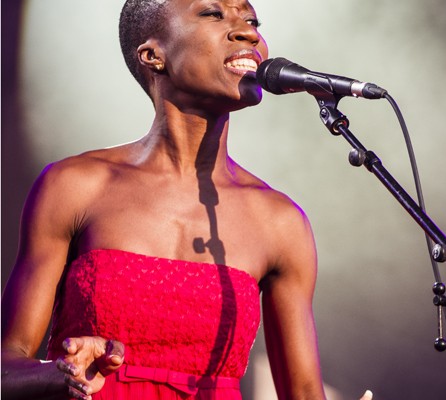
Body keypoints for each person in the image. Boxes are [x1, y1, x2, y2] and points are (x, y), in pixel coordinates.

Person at [1, 1, 373, 399]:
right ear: (153, 55)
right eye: (213, 14)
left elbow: (303, 393)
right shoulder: (75, 186)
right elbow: (7, 365)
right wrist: (60, 374)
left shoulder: (280, 221)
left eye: (251, 21)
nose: (247, 32)